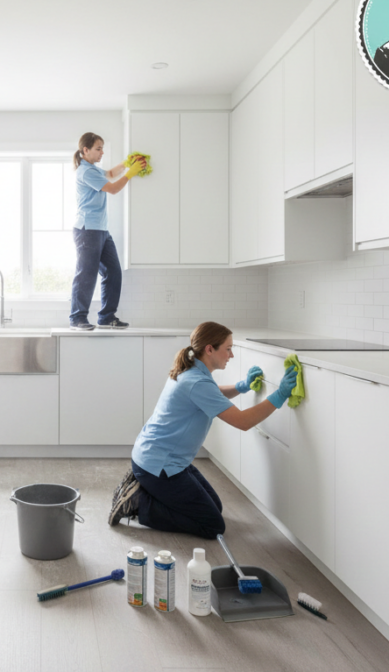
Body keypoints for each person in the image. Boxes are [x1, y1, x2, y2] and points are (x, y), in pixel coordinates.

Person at [108, 321, 298, 538]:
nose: (231, 355)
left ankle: (148, 492)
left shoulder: (192, 372)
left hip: (159, 458)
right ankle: (138, 503)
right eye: (228, 349)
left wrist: (241, 386)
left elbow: (212, 393)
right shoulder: (196, 382)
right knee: (212, 525)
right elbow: (243, 422)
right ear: (210, 349)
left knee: (215, 507)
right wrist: (280, 395)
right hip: (158, 465)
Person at [69, 132, 146, 331]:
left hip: (101, 229)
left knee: (113, 272)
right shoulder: (85, 172)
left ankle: (106, 317)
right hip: (88, 230)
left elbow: (110, 174)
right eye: (98, 148)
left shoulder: (93, 169)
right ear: (85, 150)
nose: (102, 152)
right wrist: (131, 173)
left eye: (102, 148)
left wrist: (126, 163)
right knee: (86, 274)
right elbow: (112, 188)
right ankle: (77, 318)